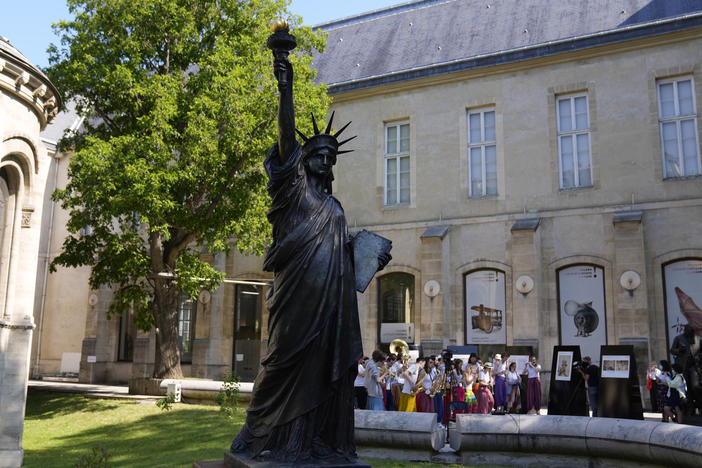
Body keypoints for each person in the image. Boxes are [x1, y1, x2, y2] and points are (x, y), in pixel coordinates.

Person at [230, 49, 390, 463]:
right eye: (318, 154)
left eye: (330, 156)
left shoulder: (334, 208)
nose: (325, 159)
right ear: (305, 161)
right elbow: (287, 135)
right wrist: (286, 88)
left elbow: (339, 256)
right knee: (281, 363)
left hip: (330, 307)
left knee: (322, 372)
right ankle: (259, 434)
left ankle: (312, 441)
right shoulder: (294, 193)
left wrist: (366, 257)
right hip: (296, 300)